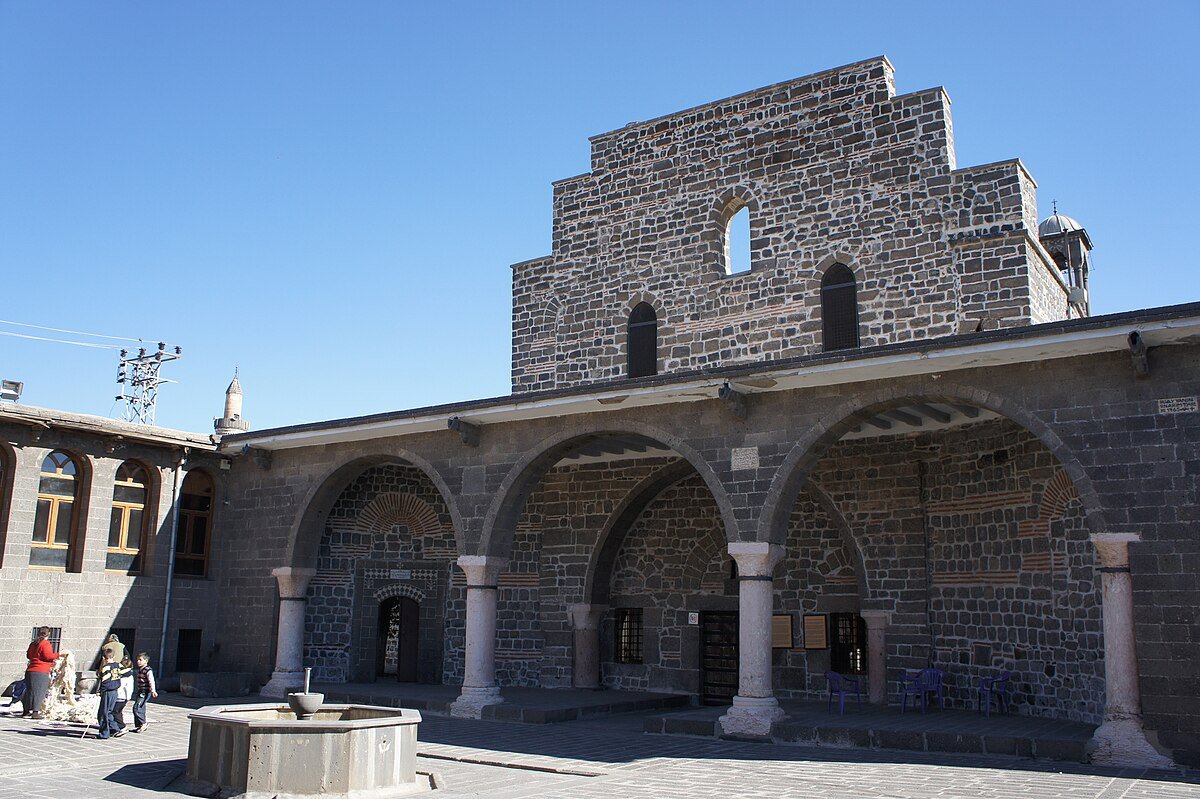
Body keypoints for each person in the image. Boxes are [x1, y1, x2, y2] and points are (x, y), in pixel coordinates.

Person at [22, 627, 57, 719]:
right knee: (39, 692)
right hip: (41, 671)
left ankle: (26, 711)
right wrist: (59, 654)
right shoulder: (45, 643)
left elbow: (28, 655)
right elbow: (48, 656)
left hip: (30, 670)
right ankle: (35, 712)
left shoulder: (33, 643)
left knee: (29, 691)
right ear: (48, 634)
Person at [95, 650, 125, 739]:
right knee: (109, 711)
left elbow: (105, 681)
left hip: (108, 691)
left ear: (104, 658)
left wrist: (100, 691)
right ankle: (113, 729)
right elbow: (126, 671)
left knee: (104, 713)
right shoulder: (118, 665)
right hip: (115, 690)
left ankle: (105, 732)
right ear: (114, 656)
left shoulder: (106, 667)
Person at [131, 652, 157, 732]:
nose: (138, 661)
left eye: (140, 660)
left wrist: (153, 690)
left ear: (146, 661)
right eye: (137, 660)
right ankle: (140, 725)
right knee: (141, 707)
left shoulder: (147, 670)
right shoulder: (140, 669)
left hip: (145, 691)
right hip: (140, 690)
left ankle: (143, 723)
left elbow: (151, 680)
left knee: (136, 707)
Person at [113, 657, 134, 733]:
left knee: (115, 712)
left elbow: (120, 686)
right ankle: (118, 726)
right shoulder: (129, 675)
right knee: (118, 712)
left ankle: (122, 727)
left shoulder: (125, 676)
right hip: (123, 697)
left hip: (121, 696)